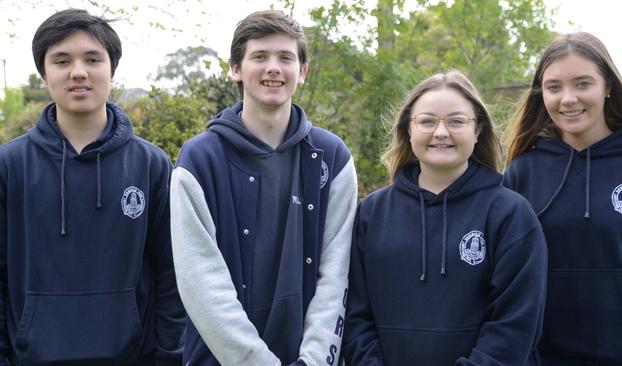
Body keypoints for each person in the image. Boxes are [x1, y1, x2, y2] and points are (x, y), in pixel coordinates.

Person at [170, 10, 357, 366]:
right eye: (260, 56)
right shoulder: (199, 159)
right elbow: (200, 282)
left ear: (302, 72)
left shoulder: (332, 158)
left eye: (286, 58)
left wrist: (315, 359)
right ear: (235, 69)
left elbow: (335, 274)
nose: (273, 67)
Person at [0, 9, 185, 366]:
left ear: (111, 70)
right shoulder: (10, 166)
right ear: (44, 74)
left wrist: (168, 358)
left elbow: (172, 279)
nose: (78, 71)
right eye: (62, 60)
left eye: (92, 59)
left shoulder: (152, 165)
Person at [342, 71, 547, 365]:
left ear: (477, 130)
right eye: (427, 121)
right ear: (408, 129)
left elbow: (515, 324)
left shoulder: (510, 214)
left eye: (456, 121)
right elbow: (355, 315)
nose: (441, 132)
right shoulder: (371, 213)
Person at [503, 32, 622, 365]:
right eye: (554, 87)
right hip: (543, 356)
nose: (567, 99)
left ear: (608, 85)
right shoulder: (521, 172)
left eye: (582, 84)